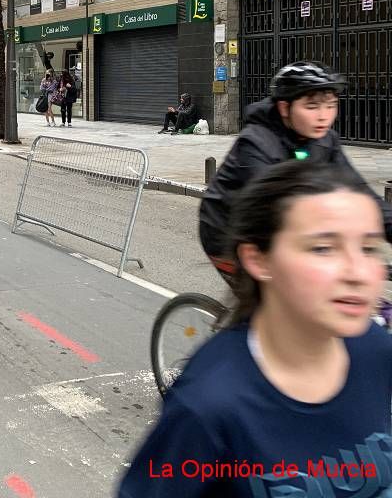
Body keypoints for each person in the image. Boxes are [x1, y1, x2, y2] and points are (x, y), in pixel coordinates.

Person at [119, 160, 392, 497]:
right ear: (258, 259)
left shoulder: (374, 350)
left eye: (369, 249)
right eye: (323, 248)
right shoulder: (208, 405)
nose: (359, 272)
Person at [200, 61, 392, 282]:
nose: (323, 116)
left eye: (330, 105)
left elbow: (359, 190)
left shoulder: (326, 140)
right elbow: (274, 208)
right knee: (278, 303)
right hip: (228, 232)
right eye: (312, 106)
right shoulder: (255, 143)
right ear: (284, 108)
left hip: (288, 233)